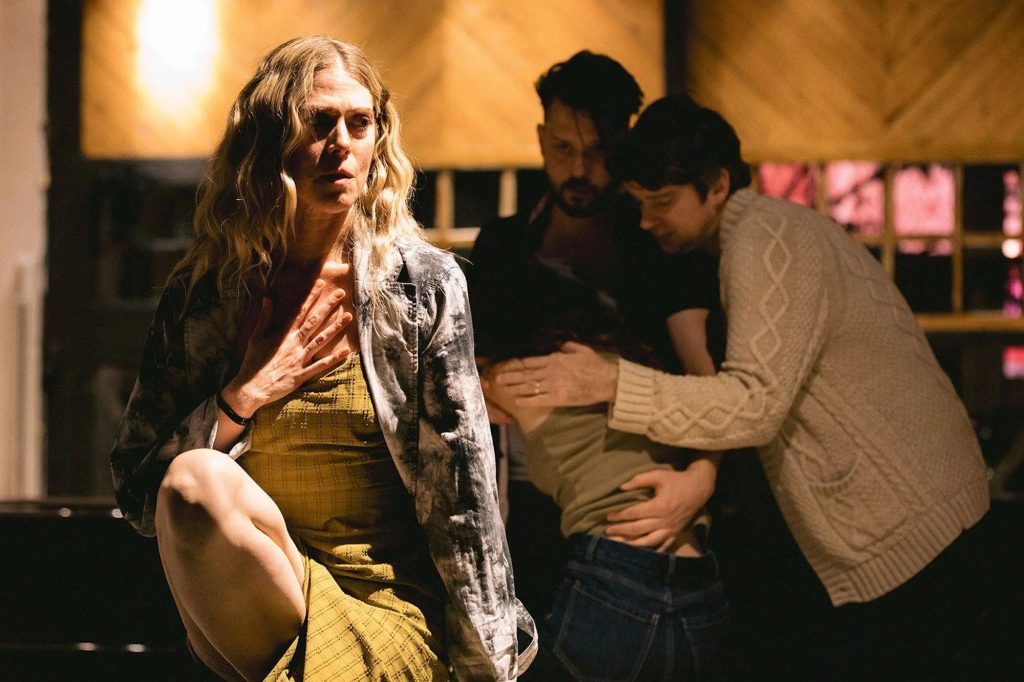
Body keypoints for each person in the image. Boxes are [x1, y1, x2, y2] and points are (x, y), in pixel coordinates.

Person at [495, 94, 1000, 680]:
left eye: (663, 202)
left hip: (912, 528)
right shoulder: (756, 238)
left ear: (717, 186)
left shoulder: (766, 237)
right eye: (639, 204)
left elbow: (753, 402)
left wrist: (611, 382)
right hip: (913, 523)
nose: (647, 220)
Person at [110, 36, 534, 682]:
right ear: (269, 140)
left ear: (378, 141)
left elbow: (465, 494)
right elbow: (142, 494)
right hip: (257, 595)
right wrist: (244, 395)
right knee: (192, 482)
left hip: (389, 604)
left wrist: (489, 666)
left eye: (359, 123)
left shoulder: (419, 286)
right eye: (318, 122)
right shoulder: (205, 296)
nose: (341, 144)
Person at [467, 51, 724, 622]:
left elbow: (713, 386)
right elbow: (464, 365)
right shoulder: (504, 244)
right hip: (519, 498)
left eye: (599, 151)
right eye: (563, 149)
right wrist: (484, 381)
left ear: (623, 145)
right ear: (541, 140)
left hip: (633, 494)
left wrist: (701, 479)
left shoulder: (658, 248)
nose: (580, 169)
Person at [477, 260, 728, 681]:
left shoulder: (516, 378)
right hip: (698, 574)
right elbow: (715, 397)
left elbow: (432, 389)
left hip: (616, 572)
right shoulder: (626, 364)